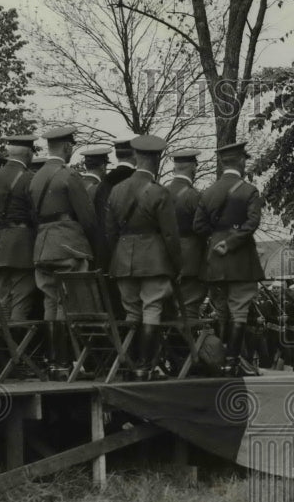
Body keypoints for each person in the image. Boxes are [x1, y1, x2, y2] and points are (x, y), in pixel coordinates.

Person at [105, 135, 182, 380]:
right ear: (157, 160)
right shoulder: (159, 192)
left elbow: (109, 232)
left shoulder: (116, 190)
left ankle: (129, 365)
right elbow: (170, 234)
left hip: (123, 259)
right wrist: (176, 264)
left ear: (136, 157)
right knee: (152, 309)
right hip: (153, 260)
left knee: (131, 312)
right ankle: (145, 366)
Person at [29, 125, 100, 380]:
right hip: (68, 244)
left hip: (42, 246)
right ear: (68, 147)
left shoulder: (35, 177)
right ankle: (67, 363)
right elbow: (89, 219)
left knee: (50, 302)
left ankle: (54, 363)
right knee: (68, 303)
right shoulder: (69, 176)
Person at [192, 141, 266, 377]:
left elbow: (198, 226)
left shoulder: (208, 192)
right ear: (242, 162)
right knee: (240, 311)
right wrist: (232, 240)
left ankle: (219, 360)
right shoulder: (249, 191)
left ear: (223, 163)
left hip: (214, 261)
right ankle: (232, 363)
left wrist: (217, 238)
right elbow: (252, 223)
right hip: (240, 260)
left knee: (221, 311)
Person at [0, 134, 39, 321]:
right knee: (22, 298)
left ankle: (3, 346)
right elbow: (36, 215)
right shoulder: (30, 178)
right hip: (23, 244)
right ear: (28, 155)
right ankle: (17, 347)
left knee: (2, 299)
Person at [164, 148, 206, 321]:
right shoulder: (194, 195)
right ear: (193, 168)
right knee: (189, 312)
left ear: (175, 168)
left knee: (168, 313)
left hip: (164, 260)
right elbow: (203, 229)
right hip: (191, 262)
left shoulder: (160, 192)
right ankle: (187, 347)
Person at [93, 138, 136, 270]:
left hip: (112, 253)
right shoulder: (141, 181)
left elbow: (102, 219)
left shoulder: (104, 183)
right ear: (135, 154)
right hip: (139, 251)